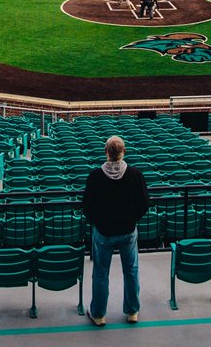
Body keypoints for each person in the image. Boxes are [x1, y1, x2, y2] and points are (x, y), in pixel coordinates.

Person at [81, 135, 150, 327]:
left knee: (101, 273)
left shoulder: (95, 176)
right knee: (131, 271)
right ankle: (132, 311)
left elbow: (87, 206)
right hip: (128, 231)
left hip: (103, 232)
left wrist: (98, 223)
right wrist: (132, 219)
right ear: (123, 152)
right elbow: (144, 203)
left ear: (106, 152)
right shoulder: (135, 175)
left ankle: (99, 314)